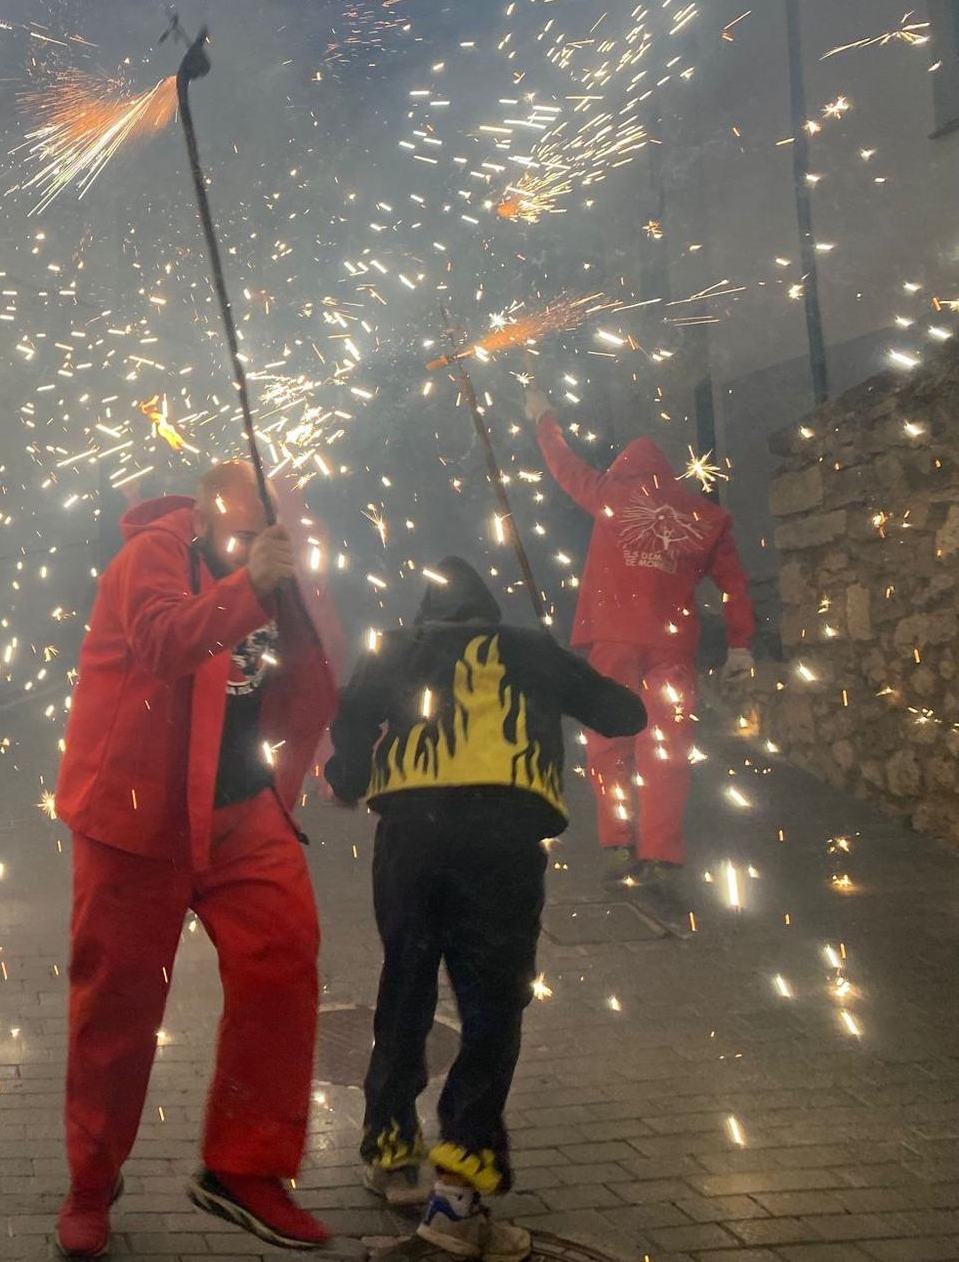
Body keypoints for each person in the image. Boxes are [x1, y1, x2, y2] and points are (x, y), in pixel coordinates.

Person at [51, 461, 341, 1258]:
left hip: (242, 808)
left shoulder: (284, 558)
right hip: (134, 820)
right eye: (240, 537)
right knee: (117, 1007)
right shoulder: (150, 554)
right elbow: (163, 639)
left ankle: (242, 1168)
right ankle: (91, 1176)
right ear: (212, 521)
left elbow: (321, 668)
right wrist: (250, 580)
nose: (253, 548)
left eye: (266, 537)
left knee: (283, 958)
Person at [326, 555, 647, 1260]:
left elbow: (348, 717)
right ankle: (458, 1197)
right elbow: (626, 715)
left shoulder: (398, 647)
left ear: (427, 615)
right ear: (491, 614)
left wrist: (346, 777)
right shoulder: (531, 649)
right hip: (502, 846)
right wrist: (574, 667)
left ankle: (389, 1147)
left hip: (410, 842)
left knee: (404, 986)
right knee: (491, 1012)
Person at [525, 390, 756, 883]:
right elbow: (735, 583)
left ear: (625, 469)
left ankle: (616, 841)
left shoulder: (609, 493)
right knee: (666, 747)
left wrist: (544, 417)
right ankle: (662, 853)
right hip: (672, 645)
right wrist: (739, 644)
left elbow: (562, 464)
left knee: (608, 742)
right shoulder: (706, 517)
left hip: (611, 640)